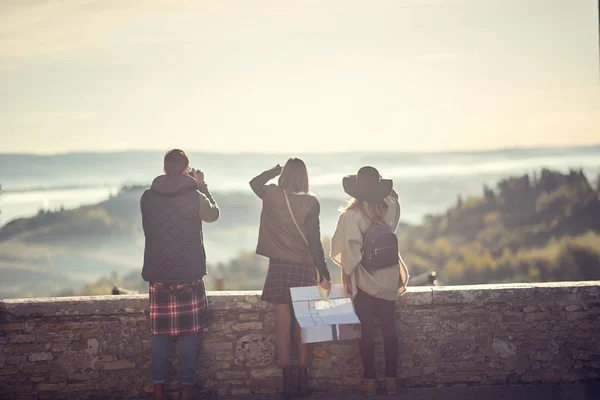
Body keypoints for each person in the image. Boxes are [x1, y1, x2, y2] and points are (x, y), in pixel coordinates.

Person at [141, 149, 220, 400]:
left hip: (158, 274)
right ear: (186, 170)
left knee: (160, 334)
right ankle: (187, 389)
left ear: (164, 169)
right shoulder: (195, 195)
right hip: (189, 274)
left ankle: (157, 389)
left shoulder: (147, 197)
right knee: (189, 334)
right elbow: (213, 215)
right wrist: (202, 185)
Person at [249, 158, 332, 399]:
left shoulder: (272, 195)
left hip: (279, 268)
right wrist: (324, 272)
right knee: (303, 326)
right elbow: (314, 242)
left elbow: (254, 183)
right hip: (304, 268)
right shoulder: (311, 202)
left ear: (285, 175)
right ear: (305, 177)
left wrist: (274, 171)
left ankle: (287, 383)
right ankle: (304, 381)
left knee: (283, 327)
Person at [330, 166, 409, 396]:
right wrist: (386, 191)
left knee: (366, 333)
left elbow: (349, 252)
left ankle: (370, 382)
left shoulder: (351, 216)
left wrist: (346, 277)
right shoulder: (390, 208)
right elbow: (394, 199)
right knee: (389, 329)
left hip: (364, 281)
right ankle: (392, 381)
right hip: (388, 278)